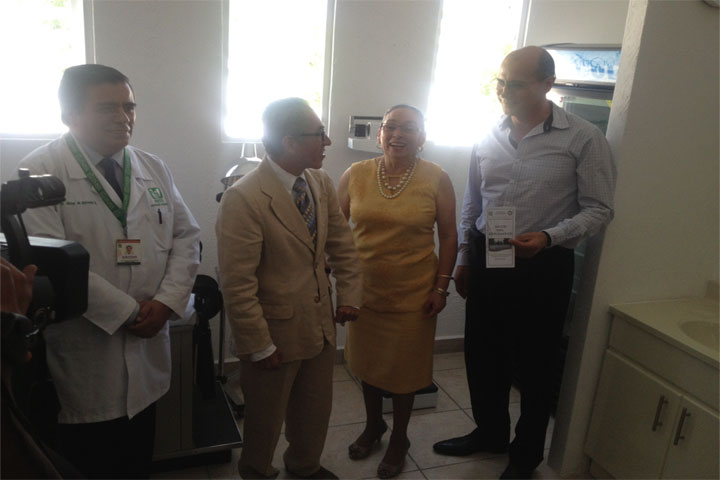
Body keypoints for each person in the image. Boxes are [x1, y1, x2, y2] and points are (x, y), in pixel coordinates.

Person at [432, 46, 617, 479]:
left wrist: (550, 236)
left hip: (543, 265)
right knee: (483, 353)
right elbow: (473, 202)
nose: (504, 91)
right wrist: (465, 259)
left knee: (536, 363)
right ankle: (490, 433)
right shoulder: (487, 135)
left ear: (547, 84)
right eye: (501, 82)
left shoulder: (583, 138)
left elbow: (600, 208)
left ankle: (526, 454)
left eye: (515, 84)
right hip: (488, 254)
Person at [16, 64, 201, 478]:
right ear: (69, 115)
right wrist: (130, 312)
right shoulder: (41, 171)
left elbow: (187, 236)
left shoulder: (153, 167)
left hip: (149, 344)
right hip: (87, 353)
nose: (123, 117)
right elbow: (53, 263)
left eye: (129, 106)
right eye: (107, 108)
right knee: (90, 462)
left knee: (137, 459)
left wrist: (167, 302)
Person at [216, 97, 363, 480]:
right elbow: (237, 283)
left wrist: (349, 295)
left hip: (319, 325)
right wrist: (258, 344)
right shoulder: (244, 197)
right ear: (289, 141)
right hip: (274, 336)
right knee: (265, 421)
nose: (328, 141)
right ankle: (257, 471)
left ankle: (304, 467)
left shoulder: (319, 182)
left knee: (314, 411)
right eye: (319, 134)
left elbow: (343, 246)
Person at [337, 104, 457, 479]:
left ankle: (400, 438)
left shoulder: (437, 178)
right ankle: (374, 425)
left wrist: (441, 287)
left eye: (409, 128)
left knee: (405, 371)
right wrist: (338, 282)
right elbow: (337, 231)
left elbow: (449, 235)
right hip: (366, 292)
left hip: (414, 294)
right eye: (390, 127)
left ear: (422, 137)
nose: (398, 134)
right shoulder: (355, 174)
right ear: (379, 135)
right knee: (369, 365)